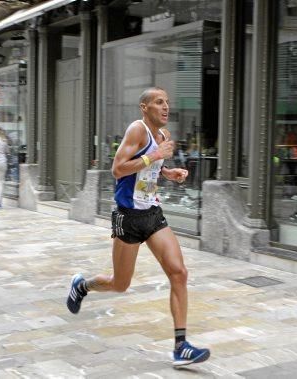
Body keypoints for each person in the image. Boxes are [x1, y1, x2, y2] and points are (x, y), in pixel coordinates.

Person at [66, 87, 210, 367]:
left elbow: (150, 170)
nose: (166, 107)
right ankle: (82, 286)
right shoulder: (137, 130)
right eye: (159, 102)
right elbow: (118, 169)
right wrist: (155, 157)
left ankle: (181, 346)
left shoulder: (164, 136)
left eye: (167, 102)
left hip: (152, 214)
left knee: (179, 273)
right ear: (144, 107)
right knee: (120, 284)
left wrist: (168, 172)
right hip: (128, 217)